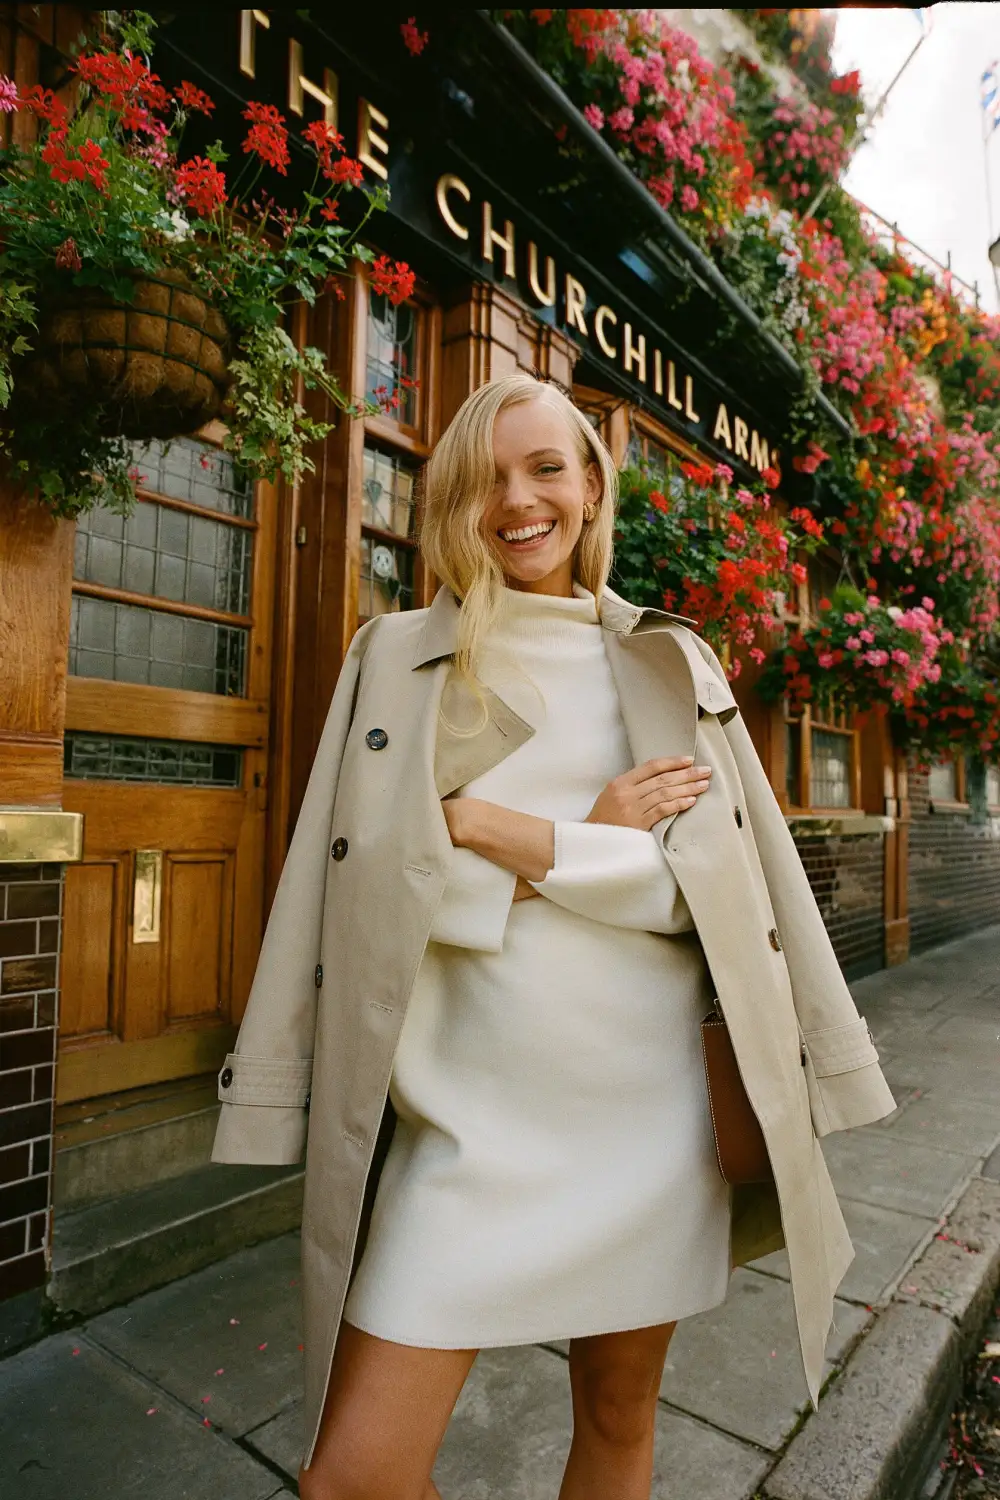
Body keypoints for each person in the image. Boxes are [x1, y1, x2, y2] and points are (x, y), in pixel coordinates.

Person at [211, 373, 896, 1500]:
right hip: (463, 1130)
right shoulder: (393, 660)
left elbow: (706, 897)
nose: (517, 501)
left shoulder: (668, 660)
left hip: (643, 1115)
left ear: (589, 485)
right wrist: (586, 839)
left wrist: (512, 836)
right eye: (486, 478)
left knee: (619, 1423)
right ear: (452, 504)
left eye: (544, 469)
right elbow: (371, 901)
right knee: (353, 1476)